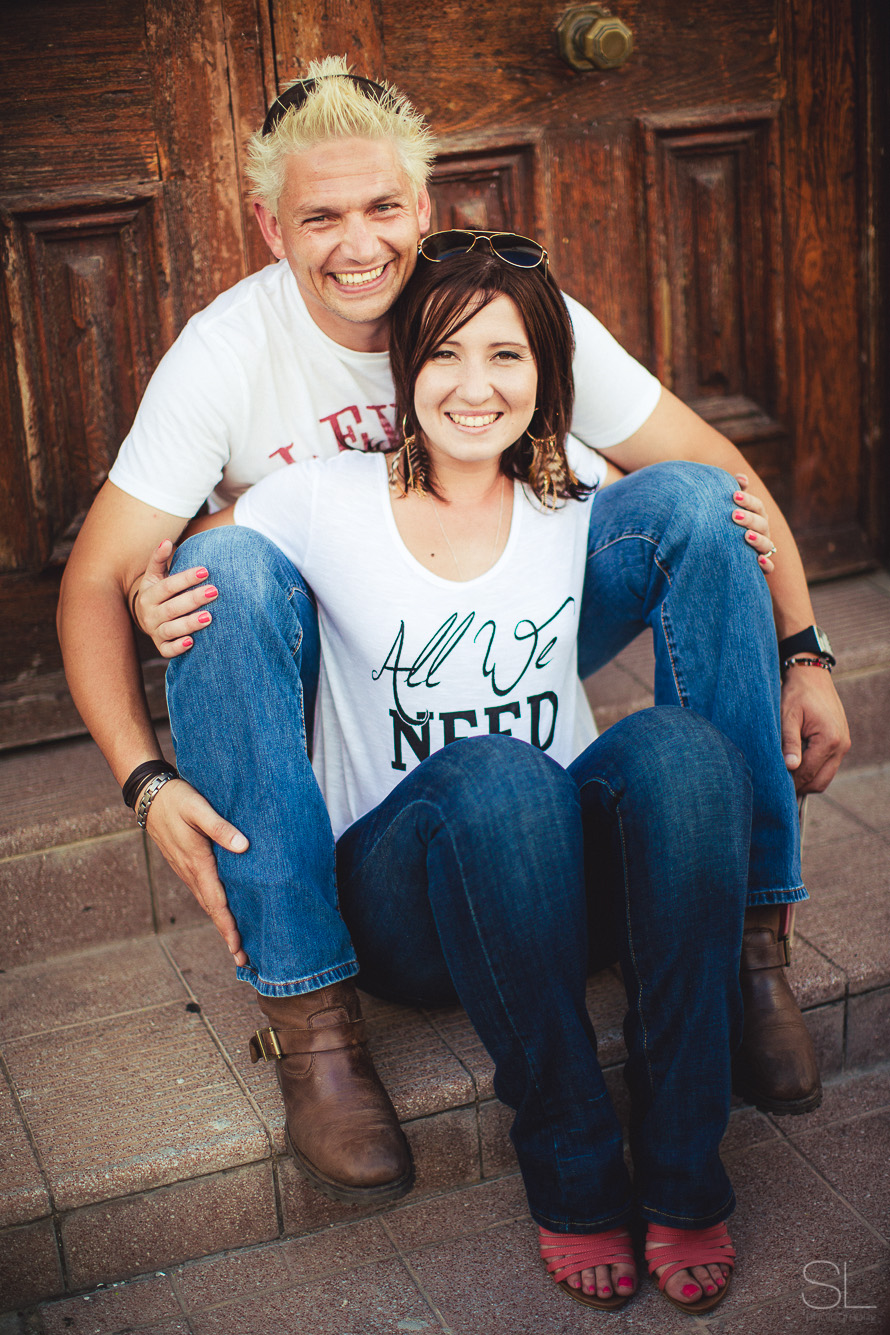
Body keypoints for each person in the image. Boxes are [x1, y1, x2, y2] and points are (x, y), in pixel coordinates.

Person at [57, 58, 848, 1140]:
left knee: (690, 508)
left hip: (520, 623)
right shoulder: (228, 355)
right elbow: (98, 579)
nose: (358, 242)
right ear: (266, 226)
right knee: (221, 572)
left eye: (383, 206)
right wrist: (147, 783)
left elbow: (719, 480)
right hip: (357, 674)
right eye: (319, 215)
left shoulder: (509, 309)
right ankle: (313, 1023)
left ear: (422, 207)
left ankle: (753, 945)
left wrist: (801, 651)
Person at [157, 236, 752, 1312]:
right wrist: (158, 601)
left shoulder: (580, 498)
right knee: (496, 776)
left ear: (545, 380)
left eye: (506, 358)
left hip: (562, 898)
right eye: (443, 356)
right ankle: (572, 1170)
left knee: (684, 754)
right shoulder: (319, 497)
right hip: (411, 906)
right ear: (405, 374)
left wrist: (800, 651)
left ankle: (681, 1166)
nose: (474, 388)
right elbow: (207, 570)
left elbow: (718, 511)